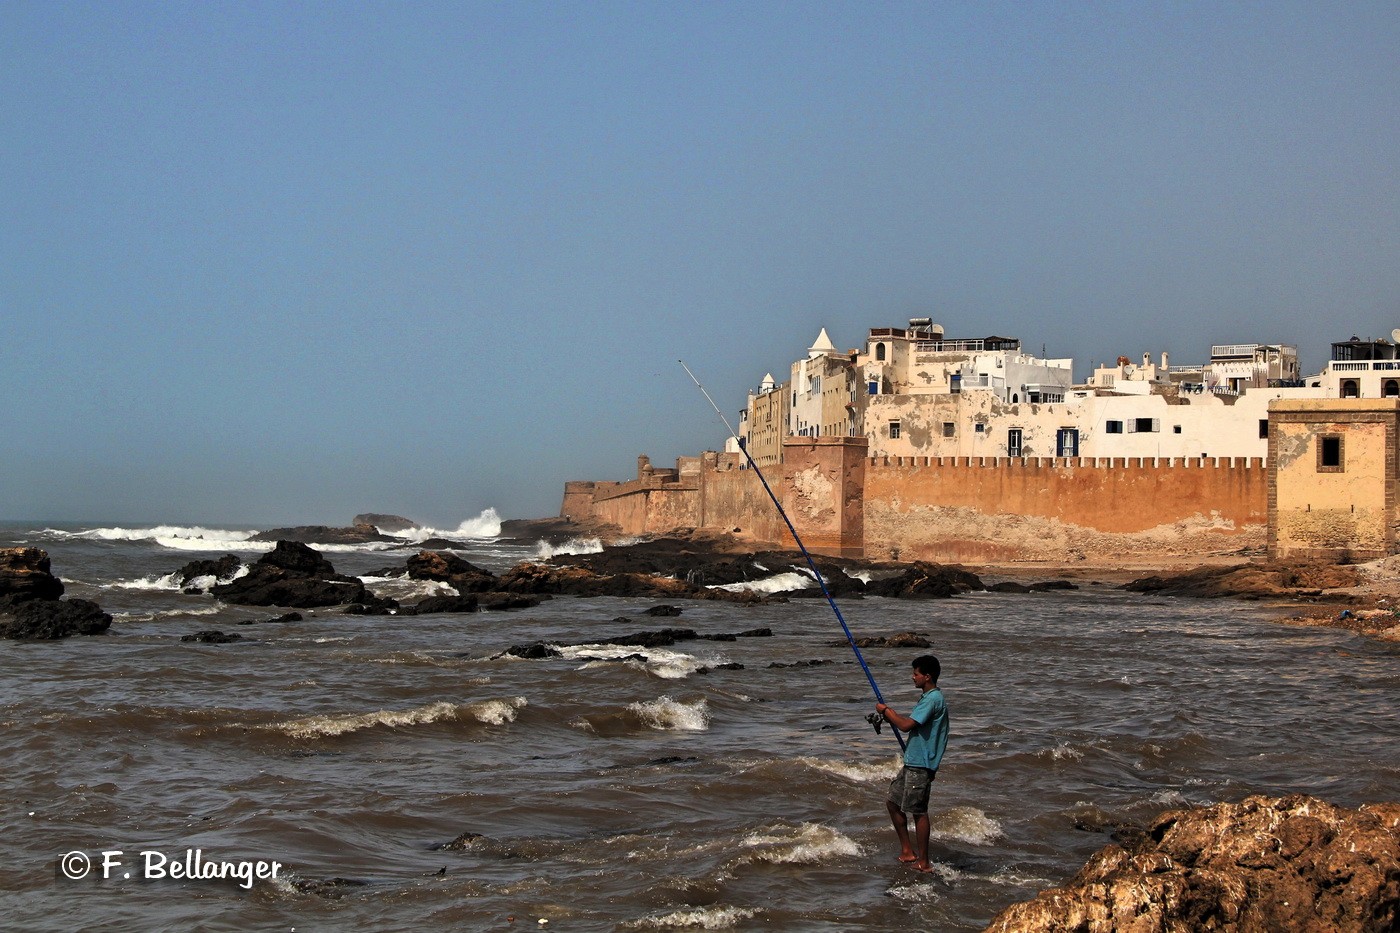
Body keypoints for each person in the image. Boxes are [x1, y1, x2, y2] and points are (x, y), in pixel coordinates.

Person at [875, 654, 949, 873]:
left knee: (918, 811)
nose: (912, 677)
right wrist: (889, 716)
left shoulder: (933, 699)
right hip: (912, 761)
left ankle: (924, 862)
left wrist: (887, 711)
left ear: (927, 677)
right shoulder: (927, 698)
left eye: (916, 674)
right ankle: (908, 851)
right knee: (893, 802)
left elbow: (906, 725)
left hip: (921, 764)